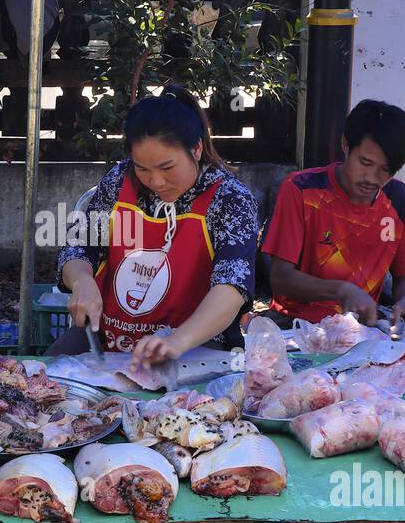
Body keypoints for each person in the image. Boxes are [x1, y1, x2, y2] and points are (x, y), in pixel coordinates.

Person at [52, 84, 259, 369]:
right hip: (108, 333)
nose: (156, 181)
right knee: (44, 376)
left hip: (199, 343)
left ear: (197, 149)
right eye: (143, 169)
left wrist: (176, 342)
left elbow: (232, 288)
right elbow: (78, 248)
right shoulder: (119, 180)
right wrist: (82, 282)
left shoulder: (230, 199)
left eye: (167, 167)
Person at [260, 99, 405, 333]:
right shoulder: (301, 190)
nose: (372, 178)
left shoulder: (398, 199)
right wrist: (341, 290)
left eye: (386, 169)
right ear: (346, 144)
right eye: (365, 163)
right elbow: (281, 278)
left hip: (363, 329)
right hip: (294, 325)